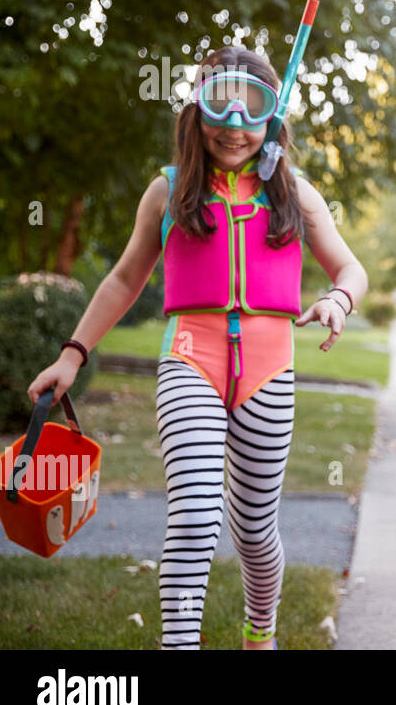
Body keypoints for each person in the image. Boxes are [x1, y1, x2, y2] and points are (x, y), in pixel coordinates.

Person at [27, 46, 368, 650]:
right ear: (195, 112)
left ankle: (258, 633)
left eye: (252, 108)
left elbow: (350, 269)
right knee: (192, 519)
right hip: (191, 363)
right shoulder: (168, 190)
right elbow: (125, 278)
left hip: (269, 372)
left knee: (256, 532)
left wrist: (338, 301)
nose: (234, 127)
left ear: (274, 114)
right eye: (219, 106)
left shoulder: (296, 193)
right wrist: (71, 354)